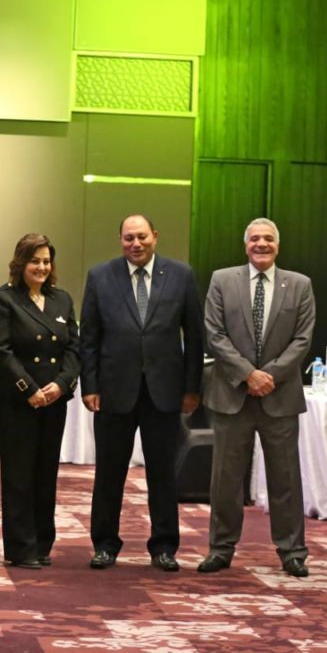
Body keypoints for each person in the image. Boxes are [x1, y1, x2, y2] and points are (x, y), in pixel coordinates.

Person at [79, 214, 203, 571]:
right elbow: (89, 338)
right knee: (109, 473)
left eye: (142, 237)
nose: (136, 244)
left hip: (164, 392)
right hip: (113, 391)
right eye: (129, 238)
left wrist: (192, 388)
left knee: (162, 474)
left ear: (155, 237)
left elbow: (195, 337)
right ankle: (105, 544)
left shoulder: (181, 275)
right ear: (120, 240)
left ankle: (164, 547)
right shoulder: (100, 276)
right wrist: (90, 385)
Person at [198, 218, 315, 577]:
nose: (261, 244)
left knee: (285, 478)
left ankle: (292, 552)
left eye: (268, 239)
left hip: (280, 396)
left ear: (278, 245)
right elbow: (214, 334)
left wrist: (269, 376)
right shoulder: (222, 280)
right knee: (226, 479)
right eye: (254, 239)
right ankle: (221, 548)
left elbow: (303, 339)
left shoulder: (300, 285)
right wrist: (248, 374)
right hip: (232, 394)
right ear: (245, 244)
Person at [0, 234, 79, 569]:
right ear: (20, 264)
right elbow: (2, 350)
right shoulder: (4, 298)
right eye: (34, 261)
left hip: (54, 399)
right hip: (18, 400)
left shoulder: (62, 299)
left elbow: (74, 348)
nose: (41, 267)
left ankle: (42, 543)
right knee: (19, 474)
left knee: (46, 472)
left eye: (46, 261)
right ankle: (20, 547)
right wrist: (29, 389)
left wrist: (62, 384)